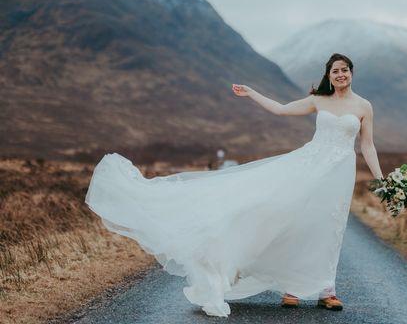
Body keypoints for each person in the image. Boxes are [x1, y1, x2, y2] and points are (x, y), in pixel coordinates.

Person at [84, 52, 384, 317]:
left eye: (345, 69)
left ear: (352, 72)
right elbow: (280, 109)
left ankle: (325, 291)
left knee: (328, 228)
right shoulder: (319, 100)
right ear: (328, 76)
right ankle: (294, 287)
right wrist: (252, 93)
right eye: (335, 70)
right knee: (294, 221)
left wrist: (382, 180)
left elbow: (367, 146)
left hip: (340, 173)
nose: (340, 74)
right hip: (308, 166)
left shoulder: (364, 106)